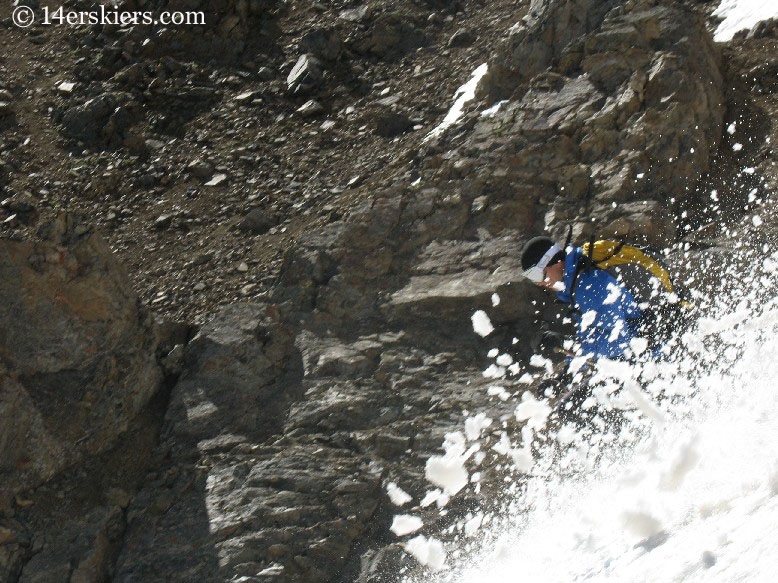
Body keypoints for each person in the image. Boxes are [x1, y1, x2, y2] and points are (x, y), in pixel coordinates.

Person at [520, 235, 677, 426]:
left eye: (538, 275)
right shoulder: (578, 281)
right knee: (572, 408)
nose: (540, 283)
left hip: (653, 359)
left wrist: (568, 345)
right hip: (637, 358)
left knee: (573, 410)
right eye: (532, 279)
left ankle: (631, 450)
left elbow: (617, 342)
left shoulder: (589, 285)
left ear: (555, 262)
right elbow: (593, 336)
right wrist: (565, 378)